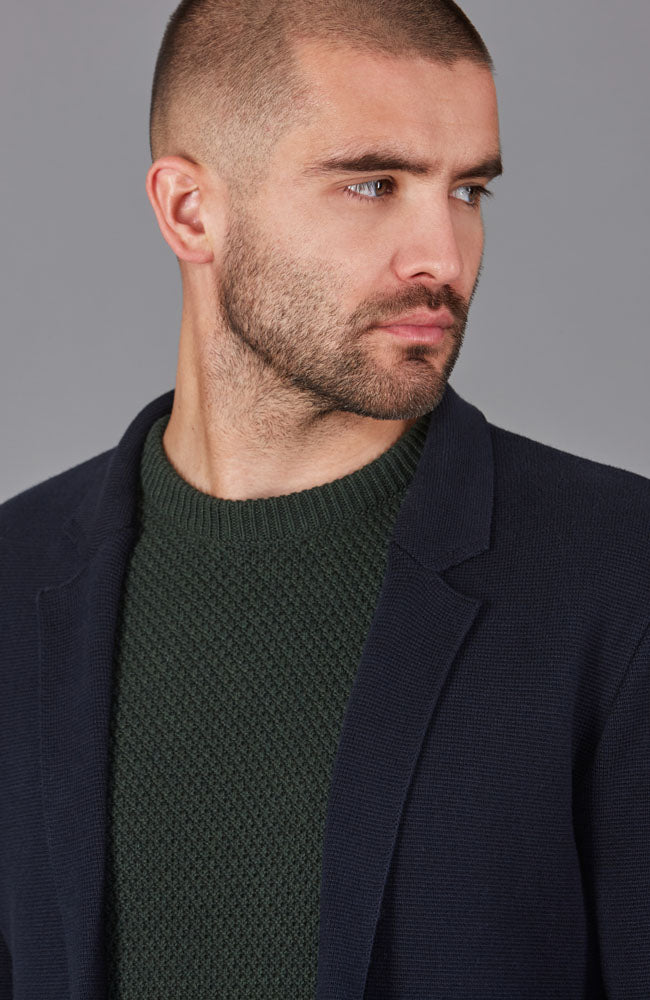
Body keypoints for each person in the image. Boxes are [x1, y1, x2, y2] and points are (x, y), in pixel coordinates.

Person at [1, 0, 648, 996]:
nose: (442, 257)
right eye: (372, 184)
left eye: (467, 190)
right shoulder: (15, 578)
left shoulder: (618, 578)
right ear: (189, 211)